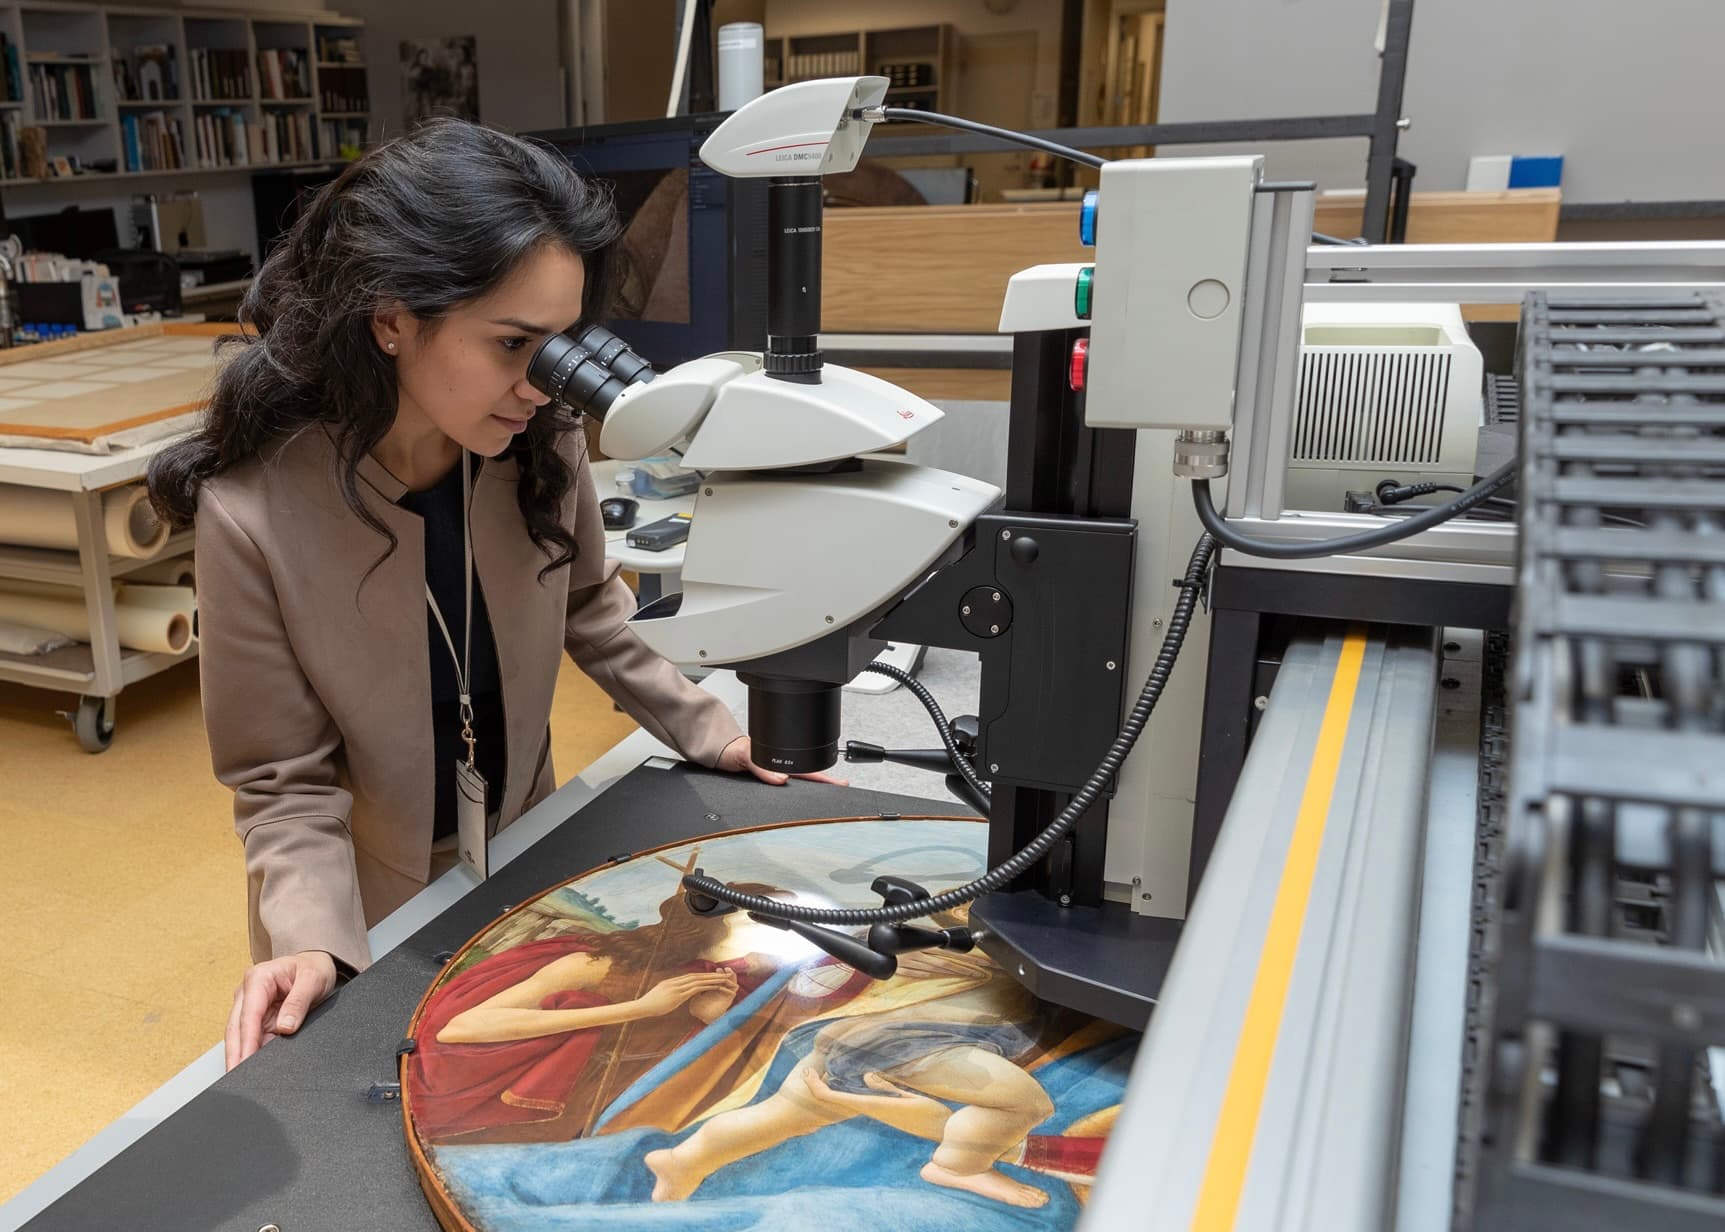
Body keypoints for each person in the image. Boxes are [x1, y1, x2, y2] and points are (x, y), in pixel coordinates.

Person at [147, 118, 833, 1072]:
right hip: (361, 895)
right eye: (514, 343)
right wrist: (309, 939)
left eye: (560, 346)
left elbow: (595, 609)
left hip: (524, 847)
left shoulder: (535, 439)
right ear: (392, 319)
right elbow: (280, 786)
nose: (539, 384)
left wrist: (714, 730)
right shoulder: (253, 511)